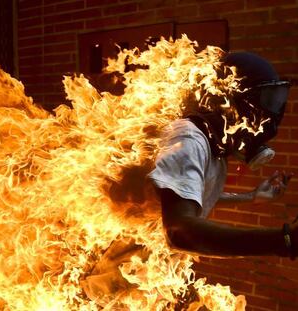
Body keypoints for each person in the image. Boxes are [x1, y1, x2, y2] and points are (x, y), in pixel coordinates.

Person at [82, 51, 294, 304]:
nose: (272, 113)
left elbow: (187, 195)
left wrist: (250, 197)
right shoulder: (189, 139)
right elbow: (180, 230)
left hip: (154, 279)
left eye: (277, 100)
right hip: (119, 285)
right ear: (229, 98)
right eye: (266, 99)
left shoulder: (216, 146)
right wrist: (283, 240)